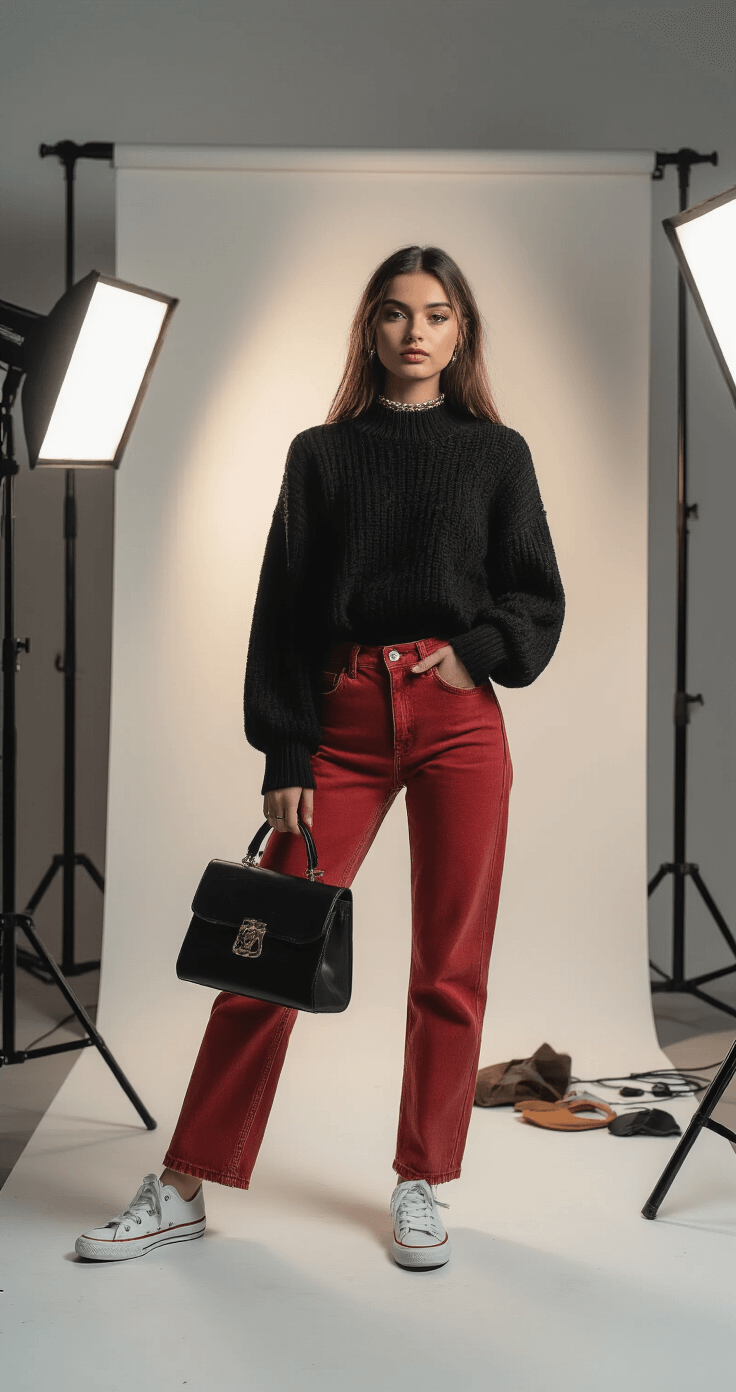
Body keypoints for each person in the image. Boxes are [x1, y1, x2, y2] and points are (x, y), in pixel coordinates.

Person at [75, 244, 565, 1269]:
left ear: (460, 332)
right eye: (394, 313)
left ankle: (422, 1179)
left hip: (457, 718)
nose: (415, 331)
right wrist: (285, 750)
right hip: (339, 716)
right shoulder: (321, 453)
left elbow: (534, 594)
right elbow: (284, 613)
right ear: (370, 329)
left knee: (450, 963)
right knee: (268, 945)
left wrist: (476, 655)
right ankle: (184, 1182)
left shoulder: (497, 453)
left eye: (436, 314)